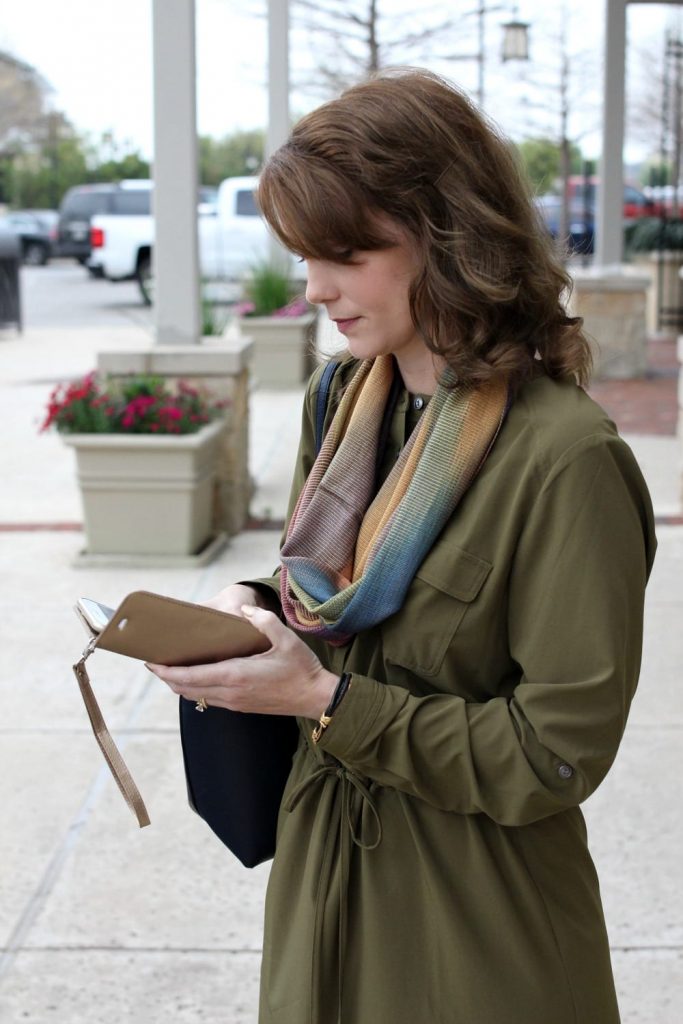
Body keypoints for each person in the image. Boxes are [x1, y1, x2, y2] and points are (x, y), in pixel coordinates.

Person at [147, 69, 656, 1024]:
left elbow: (553, 753)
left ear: (449, 234)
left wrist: (323, 699)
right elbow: (340, 594)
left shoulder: (565, 459)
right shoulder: (344, 401)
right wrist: (257, 613)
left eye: (345, 252)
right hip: (320, 882)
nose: (314, 288)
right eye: (303, 253)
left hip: (474, 924)